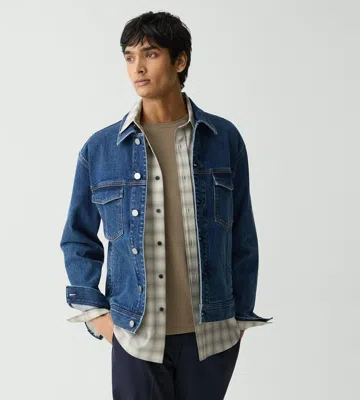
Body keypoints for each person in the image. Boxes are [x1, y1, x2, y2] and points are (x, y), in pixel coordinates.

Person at [60, 11, 273, 399]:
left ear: (180, 60)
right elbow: (77, 237)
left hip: (211, 338)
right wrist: (100, 317)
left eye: (150, 54)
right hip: (135, 336)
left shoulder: (223, 139)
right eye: (129, 57)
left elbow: (243, 234)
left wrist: (240, 317)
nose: (137, 68)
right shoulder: (101, 149)